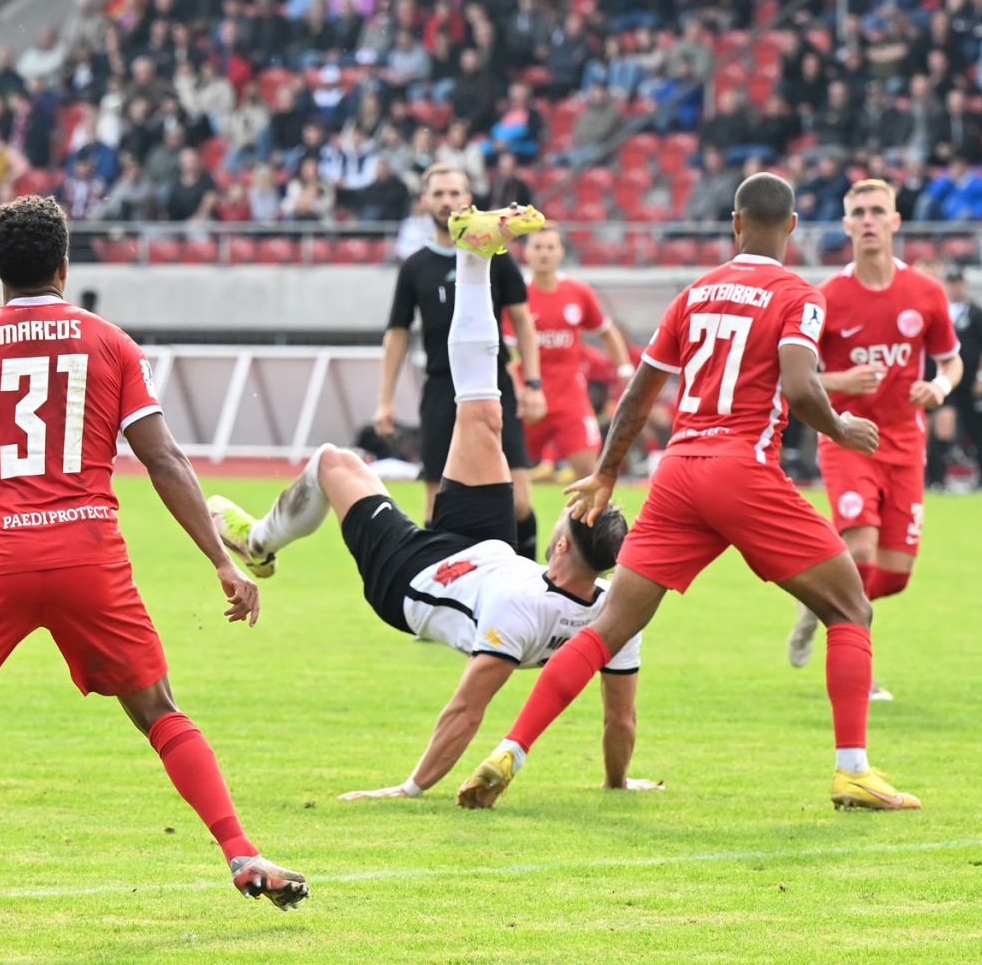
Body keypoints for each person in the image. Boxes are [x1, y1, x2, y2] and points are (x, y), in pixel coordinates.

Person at [0, 196, 304, 932]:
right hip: (89, 552)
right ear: (64, 265)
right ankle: (241, 853)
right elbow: (164, 458)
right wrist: (222, 561)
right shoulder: (109, 343)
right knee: (159, 710)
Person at [457, 173, 921, 812]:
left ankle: (511, 749)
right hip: (742, 471)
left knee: (607, 627)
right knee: (849, 609)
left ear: (735, 224)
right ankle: (853, 772)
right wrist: (841, 428)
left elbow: (638, 393)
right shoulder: (799, 295)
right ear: (791, 227)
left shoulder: (694, 293)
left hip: (677, 471)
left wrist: (607, 473)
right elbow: (799, 386)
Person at [207, 205, 655, 802]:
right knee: (485, 414)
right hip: (486, 549)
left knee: (334, 462)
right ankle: (474, 254)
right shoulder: (614, 611)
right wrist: (619, 782)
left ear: (560, 545)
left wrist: (410, 789)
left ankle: (259, 543)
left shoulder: (519, 613)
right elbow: (620, 717)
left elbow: (466, 709)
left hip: (412, 576)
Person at [787, 180, 961, 701]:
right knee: (859, 548)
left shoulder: (925, 293)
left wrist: (939, 387)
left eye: (877, 211)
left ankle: (818, 601)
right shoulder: (826, 297)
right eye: (858, 212)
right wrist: (841, 381)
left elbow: (950, 360)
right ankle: (858, 672)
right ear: (845, 225)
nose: (868, 220)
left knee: (895, 575)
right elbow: (794, 375)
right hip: (847, 438)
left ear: (894, 221)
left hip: (905, 445)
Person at [374, 164, 547, 558]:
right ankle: (441, 584)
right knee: (436, 507)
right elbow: (397, 333)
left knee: (519, 502)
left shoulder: (496, 257)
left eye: (454, 193)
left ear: (468, 199)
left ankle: (527, 580)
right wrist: (385, 400)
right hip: (441, 389)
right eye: (438, 194)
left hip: (494, 384)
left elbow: (523, 322)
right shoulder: (415, 266)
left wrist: (533, 383)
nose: (447, 201)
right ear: (424, 202)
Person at [520, 226, 634, 481]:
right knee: (509, 470)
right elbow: (508, 351)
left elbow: (606, 331)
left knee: (588, 470)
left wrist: (625, 370)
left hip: (570, 397)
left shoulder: (578, 291)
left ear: (560, 252)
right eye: (537, 247)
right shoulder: (517, 295)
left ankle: (588, 511)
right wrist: (519, 390)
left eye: (550, 247)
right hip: (529, 396)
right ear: (526, 252)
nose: (544, 253)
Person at [933, 265, 982, 487]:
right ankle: (937, 478)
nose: (955, 288)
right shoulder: (939, 312)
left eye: (958, 283)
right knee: (943, 425)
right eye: (951, 283)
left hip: (970, 381)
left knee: (976, 429)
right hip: (946, 379)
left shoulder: (976, 314)